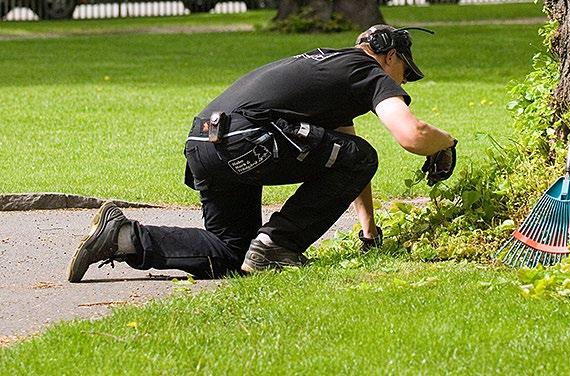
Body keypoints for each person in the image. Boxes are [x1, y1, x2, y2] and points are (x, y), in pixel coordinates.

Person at [67, 25, 458, 282]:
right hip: (248, 139)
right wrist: (447, 143)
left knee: (230, 255)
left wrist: (369, 230)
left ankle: (121, 237)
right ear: (389, 56)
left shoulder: (327, 67)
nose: (403, 82)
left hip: (204, 143)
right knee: (362, 154)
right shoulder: (366, 71)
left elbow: (346, 159)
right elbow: (410, 134)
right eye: (405, 73)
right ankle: (278, 245)